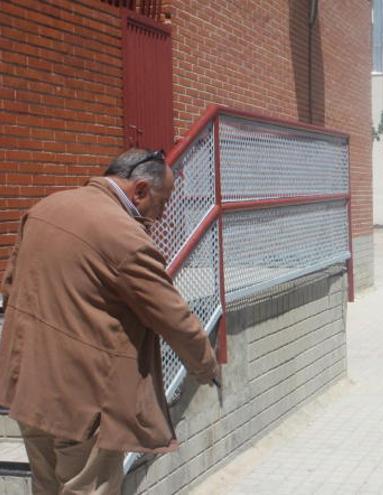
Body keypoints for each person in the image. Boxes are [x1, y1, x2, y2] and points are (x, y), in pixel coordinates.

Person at [0, 148, 221, 494]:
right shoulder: (124, 236)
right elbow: (173, 316)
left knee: (45, 487)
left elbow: (11, 287)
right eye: (162, 203)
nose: (161, 215)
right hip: (83, 399)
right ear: (141, 190)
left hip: (29, 386)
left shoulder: (44, 209)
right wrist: (206, 366)